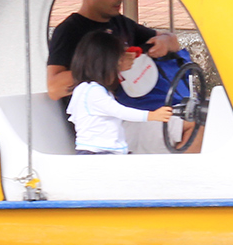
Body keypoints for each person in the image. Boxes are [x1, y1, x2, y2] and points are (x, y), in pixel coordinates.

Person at [46, 0, 186, 153]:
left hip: (133, 112)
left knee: (198, 118)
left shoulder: (121, 24)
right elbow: (54, 87)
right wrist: (110, 63)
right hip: (103, 124)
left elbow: (172, 40)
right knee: (196, 130)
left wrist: (164, 43)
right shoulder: (70, 31)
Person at [65, 27, 175, 155]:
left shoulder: (85, 90)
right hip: (99, 153)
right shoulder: (93, 91)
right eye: (118, 60)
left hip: (102, 152)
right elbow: (119, 111)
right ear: (106, 63)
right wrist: (151, 115)